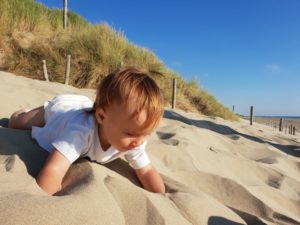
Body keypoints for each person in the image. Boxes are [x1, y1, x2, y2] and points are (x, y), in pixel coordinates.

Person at [8, 66, 165, 195]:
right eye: (130, 133)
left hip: (86, 108)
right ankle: (23, 112)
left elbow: (146, 171)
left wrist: (162, 195)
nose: (139, 141)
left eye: (146, 133)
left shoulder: (134, 140)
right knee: (18, 123)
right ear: (102, 117)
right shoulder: (80, 131)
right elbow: (54, 169)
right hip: (62, 111)